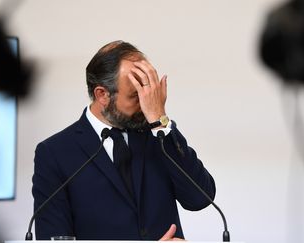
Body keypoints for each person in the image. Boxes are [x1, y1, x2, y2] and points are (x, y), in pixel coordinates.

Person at [32, 40, 216, 240]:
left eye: (150, 91)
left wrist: (161, 122)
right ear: (102, 94)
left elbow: (200, 198)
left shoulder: (159, 136)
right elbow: (53, 237)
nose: (147, 103)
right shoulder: (54, 153)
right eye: (137, 95)